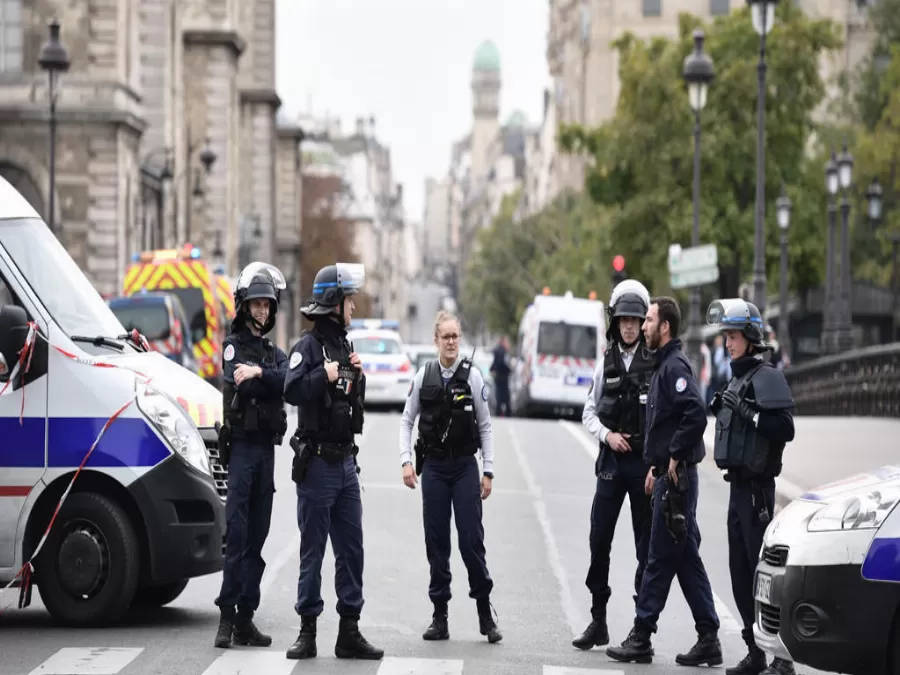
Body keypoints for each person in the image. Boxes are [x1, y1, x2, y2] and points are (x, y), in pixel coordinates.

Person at [606, 296, 722, 666]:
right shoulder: (662, 365)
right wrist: (656, 468)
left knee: (658, 556)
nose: (642, 326)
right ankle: (709, 635)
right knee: (684, 558)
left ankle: (642, 635)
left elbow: (695, 413)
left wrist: (672, 455)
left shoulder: (674, 367)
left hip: (679, 480)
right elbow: (671, 421)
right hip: (669, 476)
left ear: (664, 327)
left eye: (649, 320)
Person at [282, 262, 383, 661]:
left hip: (345, 465)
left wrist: (357, 377)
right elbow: (291, 390)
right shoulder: (306, 348)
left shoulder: (345, 347)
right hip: (318, 464)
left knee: (352, 550)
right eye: (348, 300)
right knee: (313, 552)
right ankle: (307, 631)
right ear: (332, 302)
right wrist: (320, 376)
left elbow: (352, 403)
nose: (354, 307)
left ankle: (349, 631)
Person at [399, 310, 502, 644]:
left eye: (456, 336)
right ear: (436, 341)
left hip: (464, 467)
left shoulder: (472, 378)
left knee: (471, 540)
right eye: (446, 337)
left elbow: (485, 425)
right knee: (437, 543)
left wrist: (488, 470)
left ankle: (485, 614)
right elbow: (406, 420)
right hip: (435, 469)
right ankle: (439, 615)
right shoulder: (424, 376)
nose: (452, 343)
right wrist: (405, 462)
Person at [708, 299, 796, 675]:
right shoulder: (737, 376)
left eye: (732, 336)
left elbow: (784, 429)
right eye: (726, 336)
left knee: (763, 577)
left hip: (758, 492)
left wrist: (749, 413)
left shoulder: (768, 376)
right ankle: (754, 650)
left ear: (750, 337)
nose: (727, 343)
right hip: (736, 489)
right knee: (738, 573)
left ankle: (781, 658)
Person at [573, 279, 654, 650]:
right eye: (623, 320)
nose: (628, 326)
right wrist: (607, 436)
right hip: (610, 462)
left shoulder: (655, 364)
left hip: (642, 465)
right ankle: (598, 621)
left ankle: (642, 629)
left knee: (645, 546)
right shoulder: (604, 360)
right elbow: (589, 412)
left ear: (642, 324)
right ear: (615, 321)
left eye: (635, 321)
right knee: (598, 540)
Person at [214, 262, 289, 649]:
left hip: (266, 452)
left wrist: (258, 376)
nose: (262, 311)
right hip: (242, 448)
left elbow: (286, 383)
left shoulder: (273, 353)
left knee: (258, 537)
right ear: (244, 306)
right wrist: (266, 380)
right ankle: (226, 620)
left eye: (267, 305)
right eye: (256, 304)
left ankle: (246, 619)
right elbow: (233, 381)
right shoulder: (233, 347)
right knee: (239, 536)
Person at [489, 336, 511, 416]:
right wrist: (509, 370)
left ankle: (499, 411)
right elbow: (502, 363)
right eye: (507, 342)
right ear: (503, 342)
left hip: (498, 376)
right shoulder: (503, 351)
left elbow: (494, 362)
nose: (508, 344)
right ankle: (506, 413)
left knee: (499, 394)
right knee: (504, 395)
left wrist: (492, 369)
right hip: (503, 376)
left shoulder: (497, 350)